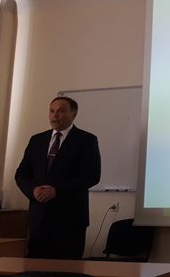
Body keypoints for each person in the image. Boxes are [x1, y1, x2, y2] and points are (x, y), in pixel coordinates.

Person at [15, 96, 101, 259]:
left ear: (73, 114)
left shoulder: (86, 140)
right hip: (39, 217)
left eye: (61, 111)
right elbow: (21, 173)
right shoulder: (37, 140)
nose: (55, 115)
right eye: (51, 111)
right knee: (35, 266)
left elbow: (91, 176)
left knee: (66, 268)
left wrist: (57, 191)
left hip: (69, 219)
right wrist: (33, 190)